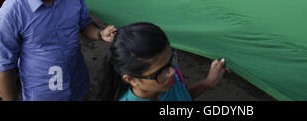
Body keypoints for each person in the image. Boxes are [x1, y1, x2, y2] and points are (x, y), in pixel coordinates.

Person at [0, 0, 118, 101]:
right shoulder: (11, 13)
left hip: (77, 81)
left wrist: (100, 34)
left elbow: (84, 23)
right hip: (43, 92)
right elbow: (5, 66)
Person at [98, 22, 229, 101]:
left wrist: (208, 83)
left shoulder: (166, 83)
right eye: (161, 72)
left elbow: (182, 97)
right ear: (131, 79)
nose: (173, 72)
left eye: (171, 60)